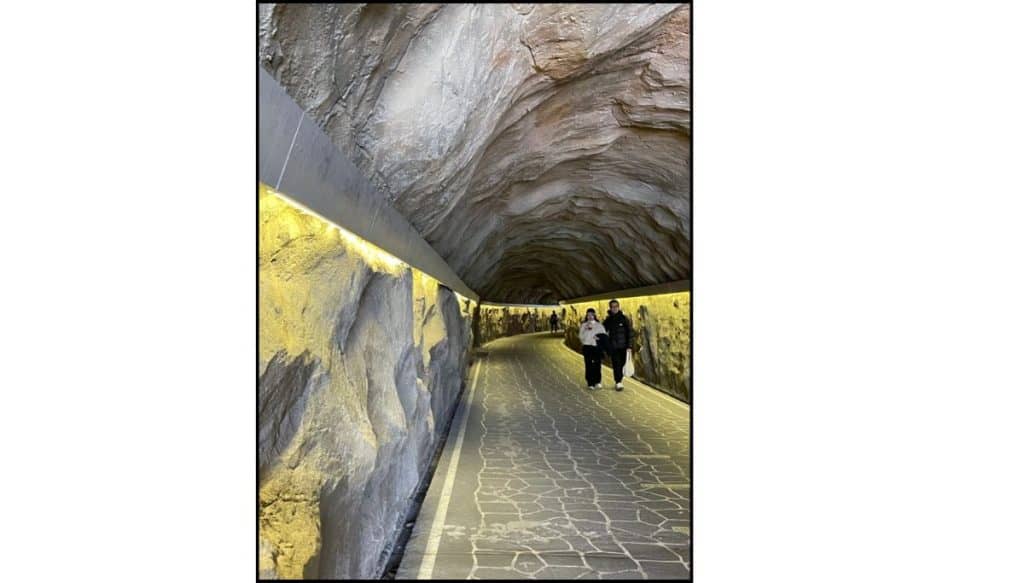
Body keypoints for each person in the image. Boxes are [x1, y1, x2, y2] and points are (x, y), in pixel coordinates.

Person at [602, 299, 633, 391]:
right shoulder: (608, 320)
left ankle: (620, 379)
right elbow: (602, 330)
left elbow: (630, 333)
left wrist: (629, 346)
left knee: (622, 363)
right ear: (610, 308)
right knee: (616, 364)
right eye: (612, 307)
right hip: (613, 347)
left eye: (616, 306)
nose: (614, 308)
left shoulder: (624, 319)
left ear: (619, 307)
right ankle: (618, 382)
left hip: (623, 347)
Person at [578, 308, 607, 390]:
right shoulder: (583, 325)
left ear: (594, 315)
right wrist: (586, 330)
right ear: (586, 316)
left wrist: (598, 338)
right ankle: (590, 382)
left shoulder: (599, 325)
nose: (590, 316)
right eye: (588, 315)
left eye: (592, 315)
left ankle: (598, 381)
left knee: (597, 364)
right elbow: (580, 337)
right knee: (588, 364)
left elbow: (604, 336)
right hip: (587, 347)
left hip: (596, 347)